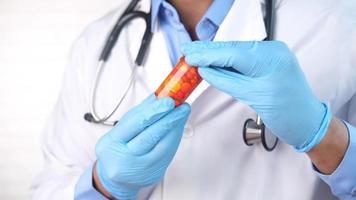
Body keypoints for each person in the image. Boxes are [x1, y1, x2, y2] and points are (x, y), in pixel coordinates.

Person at [31, 0, 356, 199]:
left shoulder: (340, 23)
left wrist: (325, 138)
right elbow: (49, 185)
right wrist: (102, 186)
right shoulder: (95, 43)